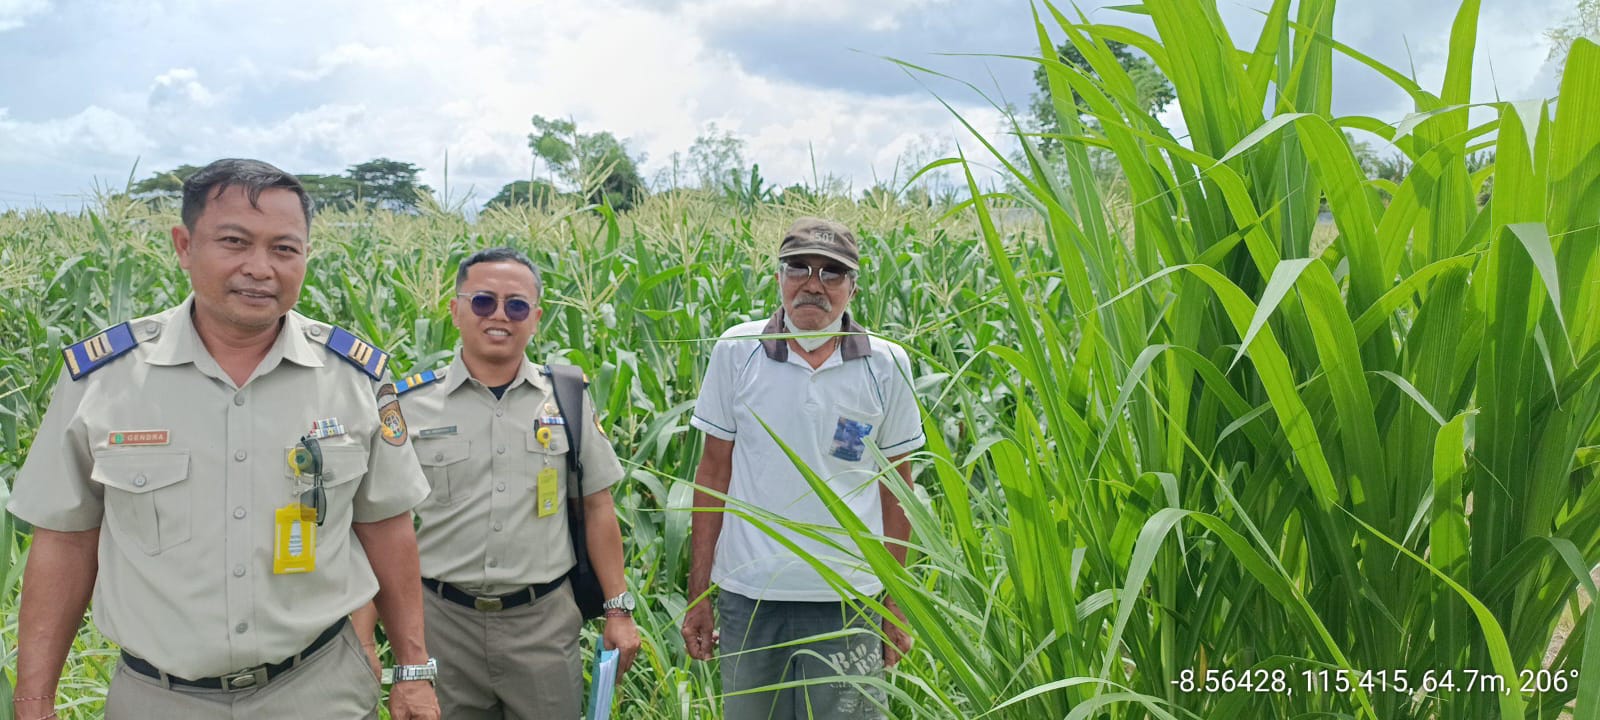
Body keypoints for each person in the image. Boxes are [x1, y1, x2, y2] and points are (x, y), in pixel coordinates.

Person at [6, 158, 440, 720]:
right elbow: (64, 541)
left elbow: (386, 526)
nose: (260, 268)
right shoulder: (105, 380)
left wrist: (413, 669)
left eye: (285, 249)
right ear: (185, 246)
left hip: (317, 688)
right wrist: (35, 698)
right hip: (157, 697)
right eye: (234, 242)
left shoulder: (354, 378)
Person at [363, 246, 640, 719]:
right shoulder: (407, 405)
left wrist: (619, 608)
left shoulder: (567, 398)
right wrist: (367, 634)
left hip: (543, 622)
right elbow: (376, 524)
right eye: (483, 301)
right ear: (455, 310)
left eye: (516, 306)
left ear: (535, 317)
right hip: (440, 623)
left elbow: (597, 506)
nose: (499, 316)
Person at [680, 217, 923, 719]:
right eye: (799, 268)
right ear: (778, 277)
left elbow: (897, 490)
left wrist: (896, 603)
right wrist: (699, 592)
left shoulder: (885, 364)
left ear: (853, 287)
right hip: (750, 596)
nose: (813, 284)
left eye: (832, 274)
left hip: (851, 599)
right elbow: (712, 477)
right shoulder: (736, 351)